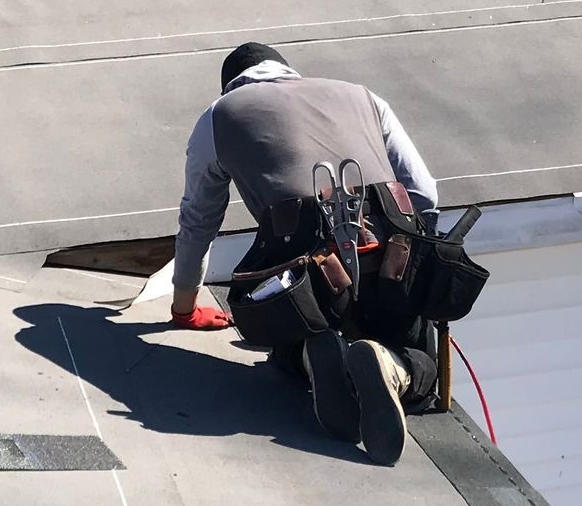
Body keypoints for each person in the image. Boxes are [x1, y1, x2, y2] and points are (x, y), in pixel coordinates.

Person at [171, 42, 441, 465]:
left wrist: (185, 305)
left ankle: (306, 356)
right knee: (423, 360)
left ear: (231, 87)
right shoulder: (363, 96)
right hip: (387, 259)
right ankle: (393, 364)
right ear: (288, 70)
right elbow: (424, 193)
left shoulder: (219, 116)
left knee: (283, 347)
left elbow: (199, 220)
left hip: (303, 281)